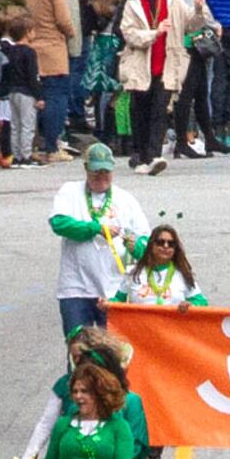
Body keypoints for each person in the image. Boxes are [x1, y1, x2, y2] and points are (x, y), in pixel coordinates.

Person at [48, 144, 149, 339]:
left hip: (114, 289)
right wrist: (97, 228)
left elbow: (146, 239)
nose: (101, 176)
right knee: (78, 352)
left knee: (114, 354)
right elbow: (59, 223)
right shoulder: (69, 191)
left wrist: (135, 247)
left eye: (106, 172)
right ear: (86, 168)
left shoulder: (126, 199)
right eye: (96, 172)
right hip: (76, 288)